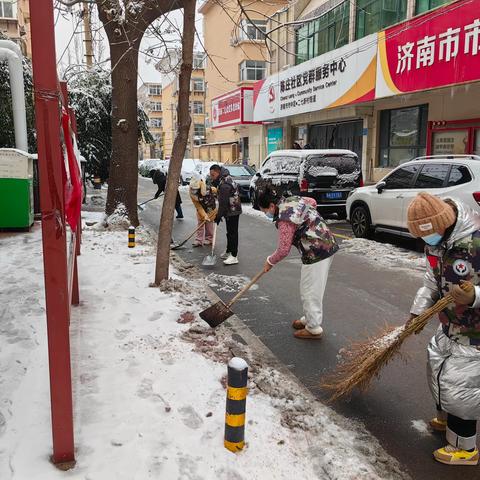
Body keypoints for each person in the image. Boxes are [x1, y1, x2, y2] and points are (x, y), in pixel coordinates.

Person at [407, 192, 480, 466]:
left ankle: (465, 448)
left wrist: (475, 296)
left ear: (443, 223)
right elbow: (431, 281)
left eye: (428, 234)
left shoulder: (476, 242)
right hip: (450, 323)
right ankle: (446, 416)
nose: (426, 241)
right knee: (436, 362)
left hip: (475, 332)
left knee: (462, 384)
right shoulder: (439, 244)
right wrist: (418, 311)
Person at [257, 182, 338, 339]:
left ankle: (313, 328)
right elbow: (312, 202)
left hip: (316, 251)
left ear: (272, 206)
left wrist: (269, 261)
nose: (266, 213)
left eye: (265, 210)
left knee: (310, 290)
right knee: (311, 287)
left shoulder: (284, 218)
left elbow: (283, 250)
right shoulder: (291, 200)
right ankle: (309, 318)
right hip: (326, 243)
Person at [209, 164, 242, 265]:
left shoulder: (224, 184)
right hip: (230, 209)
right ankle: (229, 251)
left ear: (218, 172)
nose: (211, 177)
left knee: (232, 233)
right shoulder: (224, 179)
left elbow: (223, 202)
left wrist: (218, 216)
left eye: (213, 175)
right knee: (229, 232)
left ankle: (234, 255)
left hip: (233, 210)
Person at [189, 173, 217, 247]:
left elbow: (215, 190)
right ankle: (199, 240)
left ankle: (209, 239)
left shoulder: (208, 188)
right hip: (201, 209)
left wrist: (220, 192)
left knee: (209, 225)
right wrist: (204, 215)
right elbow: (198, 206)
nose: (194, 191)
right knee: (200, 224)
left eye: (196, 189)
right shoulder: (192, 193)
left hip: (211, 208)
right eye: (193, 189)